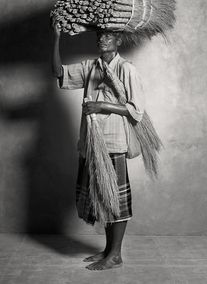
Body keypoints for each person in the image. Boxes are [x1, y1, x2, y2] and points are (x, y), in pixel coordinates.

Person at [52, 22, 144, 271]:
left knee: (117, 200)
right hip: (92, 141)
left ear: (119, 41)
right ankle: (107, 250)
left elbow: (136, 111)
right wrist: (57, 38)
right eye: (101, 35)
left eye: (109, 36)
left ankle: (115, 255)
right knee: (103, 196)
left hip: (114, 141)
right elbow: (59, 72)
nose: (103, 39)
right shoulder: (91, 67)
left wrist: (102, 106)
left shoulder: (127, 69)